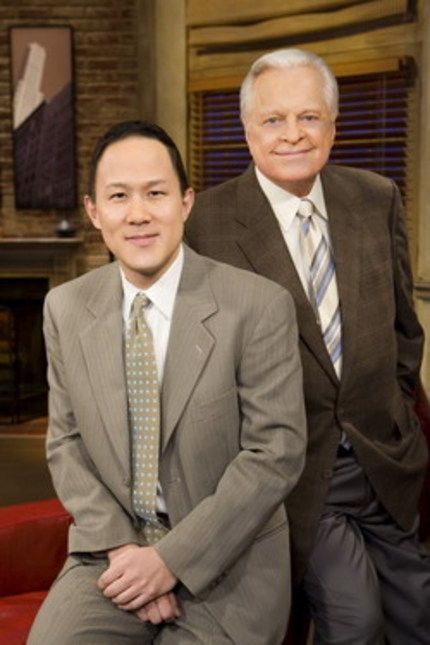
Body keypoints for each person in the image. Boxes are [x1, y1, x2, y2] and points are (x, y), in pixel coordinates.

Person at [27, 120, 306, 645]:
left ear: (185, 202)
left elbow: (276, 453)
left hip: (229, 556)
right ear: (94, 211)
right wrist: (125, 553)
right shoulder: (64, 307)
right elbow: (66, 442)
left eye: (155, 193)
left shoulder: (258, 305)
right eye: (119, 196)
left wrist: (170, 562)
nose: (138, 213)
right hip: (112, 550)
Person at [185, 48, 430, 644]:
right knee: (355, 620)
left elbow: (405, 331)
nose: (293, 134)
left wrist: (399, 416)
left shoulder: (375, 196)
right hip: (294, 475)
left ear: (333, 125)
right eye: (273, 119)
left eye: (309, 117)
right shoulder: (204, 224)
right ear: (248, 130)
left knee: (417, 614)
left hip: (384, 456)